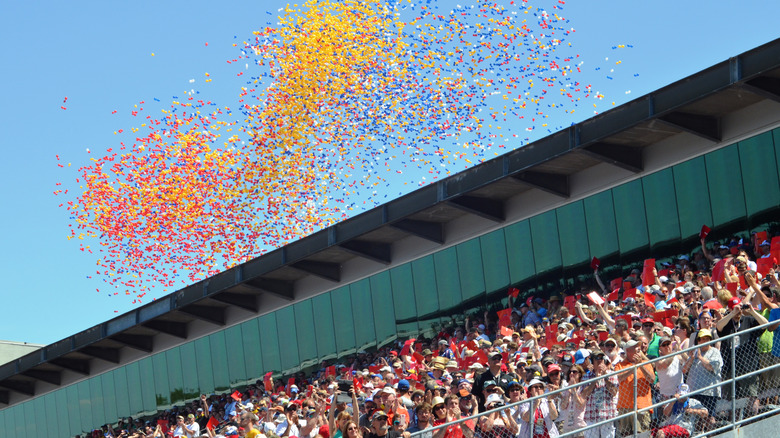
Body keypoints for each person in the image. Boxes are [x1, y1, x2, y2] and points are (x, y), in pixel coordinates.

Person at [682, 329, 721, 429]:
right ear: (697, 341)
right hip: (694, 391)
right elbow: (684, 370)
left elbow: (712, 367)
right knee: (696, 419)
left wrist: (700, 357)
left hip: (708, 391)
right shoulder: (694, 353)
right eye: (701, 339)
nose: (704, 342)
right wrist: (691, 357)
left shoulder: (714, 352)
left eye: (706, 339)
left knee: (709, 418)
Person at [614, 340, 654, 436]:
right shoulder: (620, 365)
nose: (638, 348)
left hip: (642, 406)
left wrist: (640, 365)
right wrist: (632, 368)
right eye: (635, 347)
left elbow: (652, 379)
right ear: (628, 351)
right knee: (626, 434)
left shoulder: (646, 363)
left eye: (638, 346)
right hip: (625, 407)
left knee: (642, 434)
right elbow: (618, 378)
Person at [558, 365, 586, 438]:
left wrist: (574, 391)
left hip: (580, 424)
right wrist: (568, 392)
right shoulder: (566, 388)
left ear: (579, 374)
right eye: (570, 372)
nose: (571, 374)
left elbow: (580, 405)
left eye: (574, 372)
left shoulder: (583, 387)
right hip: (568, 426)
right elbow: (562, 407)